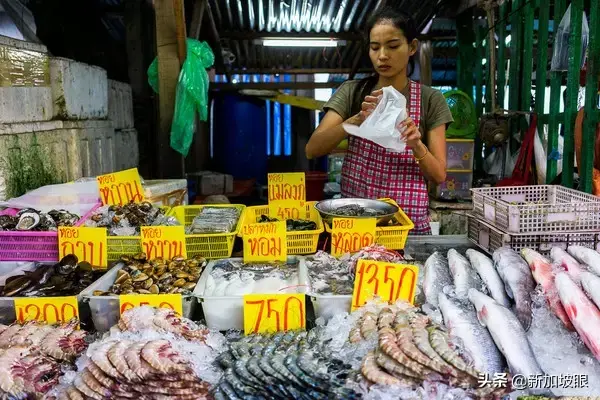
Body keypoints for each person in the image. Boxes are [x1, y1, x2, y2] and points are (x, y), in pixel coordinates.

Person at [305, 6, 453, 235]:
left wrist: (416, 144)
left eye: (393, 46)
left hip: (405, 228)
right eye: (375, 48)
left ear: (412, 47)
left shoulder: (430, 99)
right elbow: (312, 149)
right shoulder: (352, 92)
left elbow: (439, 176)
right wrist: (356, 120)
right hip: (355, 226)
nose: (382, 55)